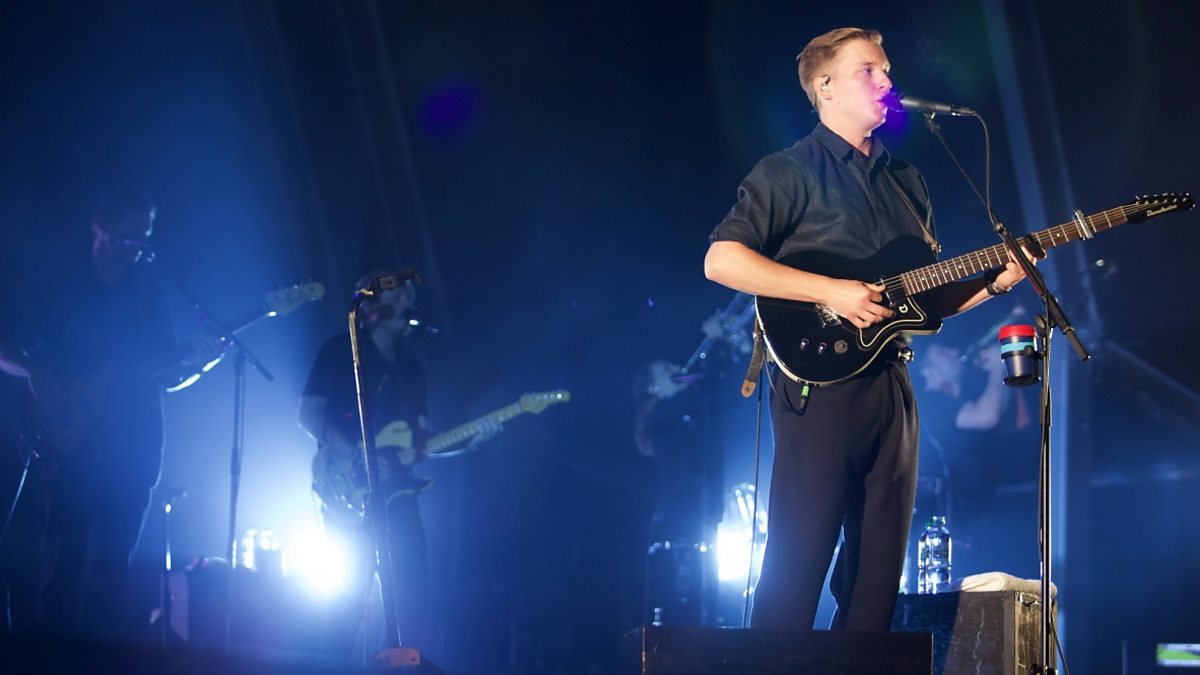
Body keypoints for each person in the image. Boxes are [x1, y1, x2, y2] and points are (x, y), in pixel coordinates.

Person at [703, 27, 1038, 631]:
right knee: (799, 563)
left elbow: (922, 303)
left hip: (893, 385)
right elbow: (722, 260)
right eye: (869, 70)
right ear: (825, 86)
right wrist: (830, 290)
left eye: (886, 69)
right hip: (818, 386)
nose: (887, 81)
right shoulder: (788, 170)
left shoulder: (907, 182)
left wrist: (994, 283)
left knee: (877, 575)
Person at [0, 189, 221, 640]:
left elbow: (167, 374)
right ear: (99, 224)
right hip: (67, 447)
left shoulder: (150, 293)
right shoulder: (59, 285)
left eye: (145, 235)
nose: (139, 244)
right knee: (62, 572)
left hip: (133, 449)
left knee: (113, 577)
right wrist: (36, 371)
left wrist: (200, 364)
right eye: (130, 234)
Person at [297, 271, 499, 661]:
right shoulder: (340, 351)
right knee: (345, 608)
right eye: (398, 297)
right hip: (351, 491)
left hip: (399, 497)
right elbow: (308, 413)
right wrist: (358, 454)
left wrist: (469, 440)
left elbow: (422, 441)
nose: (408, 304)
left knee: (412, 605)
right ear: (370, 305)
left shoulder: (412, 370)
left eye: (410, 299)